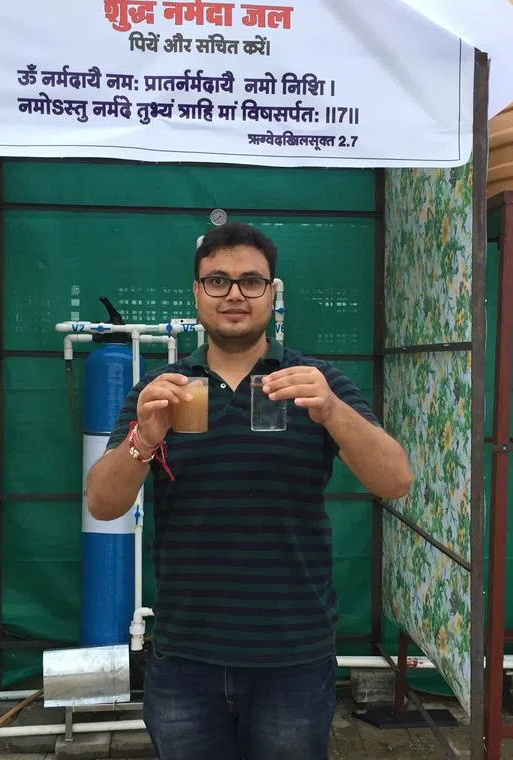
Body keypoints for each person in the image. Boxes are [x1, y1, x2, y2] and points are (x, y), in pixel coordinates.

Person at [85, 221, 413, 760]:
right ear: (197, 294)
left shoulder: (314, 381)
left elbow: (396, 480)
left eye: (250, 281)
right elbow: (103, 503)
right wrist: (145, 438)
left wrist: (331, 410)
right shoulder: (162, 389)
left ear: (272, 292)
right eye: (217, 281)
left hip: (293, 654)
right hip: (185, 655)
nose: (234, 294)